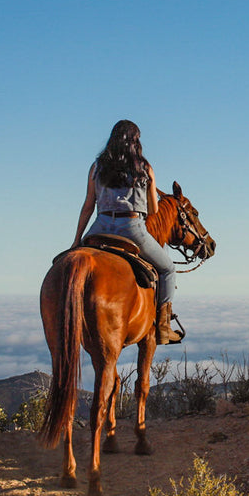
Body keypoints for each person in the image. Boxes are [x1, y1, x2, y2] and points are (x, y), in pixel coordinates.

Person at [72, 119, 181, 344]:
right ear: (136, 141)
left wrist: (76, 241)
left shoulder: (97, 167)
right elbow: (153, 209)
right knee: (168, 269)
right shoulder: (145, 167)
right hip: (132, 228)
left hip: (100, 225)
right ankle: (163, 327)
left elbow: (88, 205)